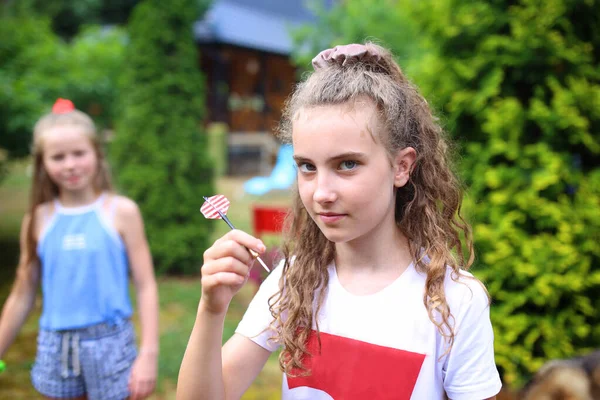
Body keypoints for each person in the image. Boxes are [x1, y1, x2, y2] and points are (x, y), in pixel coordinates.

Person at [177, 43, 502, 400]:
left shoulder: (453, 301)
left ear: (401, 166)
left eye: (347, 164)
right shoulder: (292, 282)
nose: (321, 193)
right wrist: (211, 309)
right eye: (307, 167)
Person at [0, 98, 159, 400]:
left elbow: (145, 284)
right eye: (58, 157)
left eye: (79, 153)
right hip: (55, 346)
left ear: (97, 155)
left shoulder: (121, 211)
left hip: (112, 344)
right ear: (42, 164)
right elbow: (22, 294)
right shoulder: (37, 220)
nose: (70, 164)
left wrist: (148, 354)